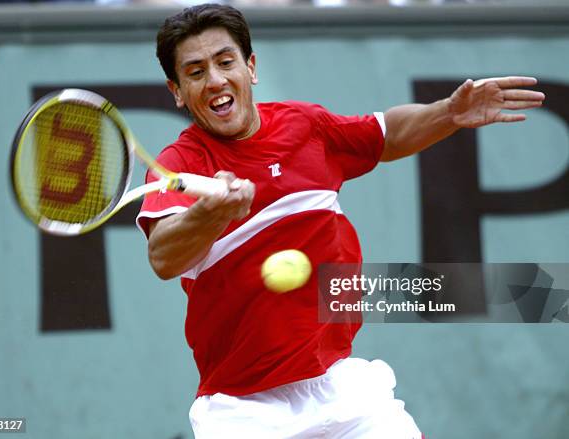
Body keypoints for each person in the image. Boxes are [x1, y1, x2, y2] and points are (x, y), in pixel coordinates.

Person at [136, 4, 544, 438]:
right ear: (177, 90)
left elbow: (385, 134)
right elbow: (163, 256)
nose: (215, 80)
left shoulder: (304, 126)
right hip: (244, 410)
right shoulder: (179, 165)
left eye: (225, 62)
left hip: (341, 389)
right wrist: (210, 214)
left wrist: (448, 113)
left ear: (250, 67)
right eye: (196, 72)